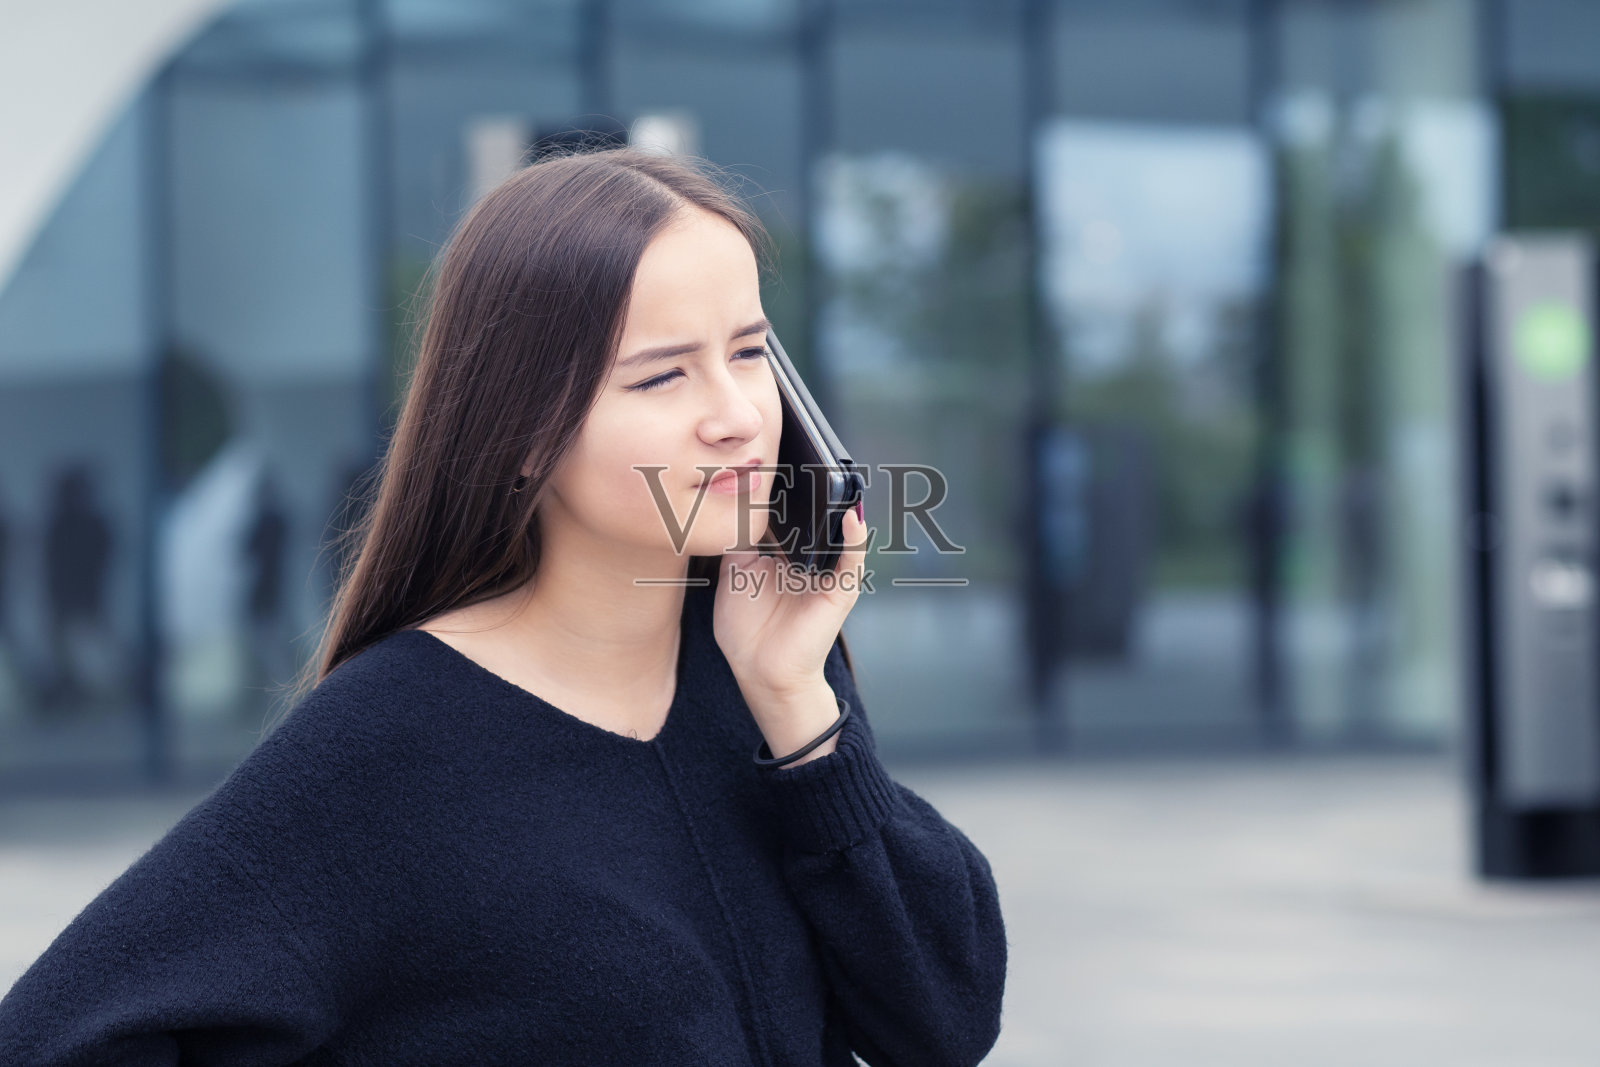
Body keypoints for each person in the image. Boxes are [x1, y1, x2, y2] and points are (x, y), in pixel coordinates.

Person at [0, 144, 1008, 1066]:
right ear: (525, 431)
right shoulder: (389, 741)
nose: (740, 416)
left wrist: (799, 711)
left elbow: (941, 1021)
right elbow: (59, 1034)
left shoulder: (768, 676)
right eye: (660, 375)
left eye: (748, 352)